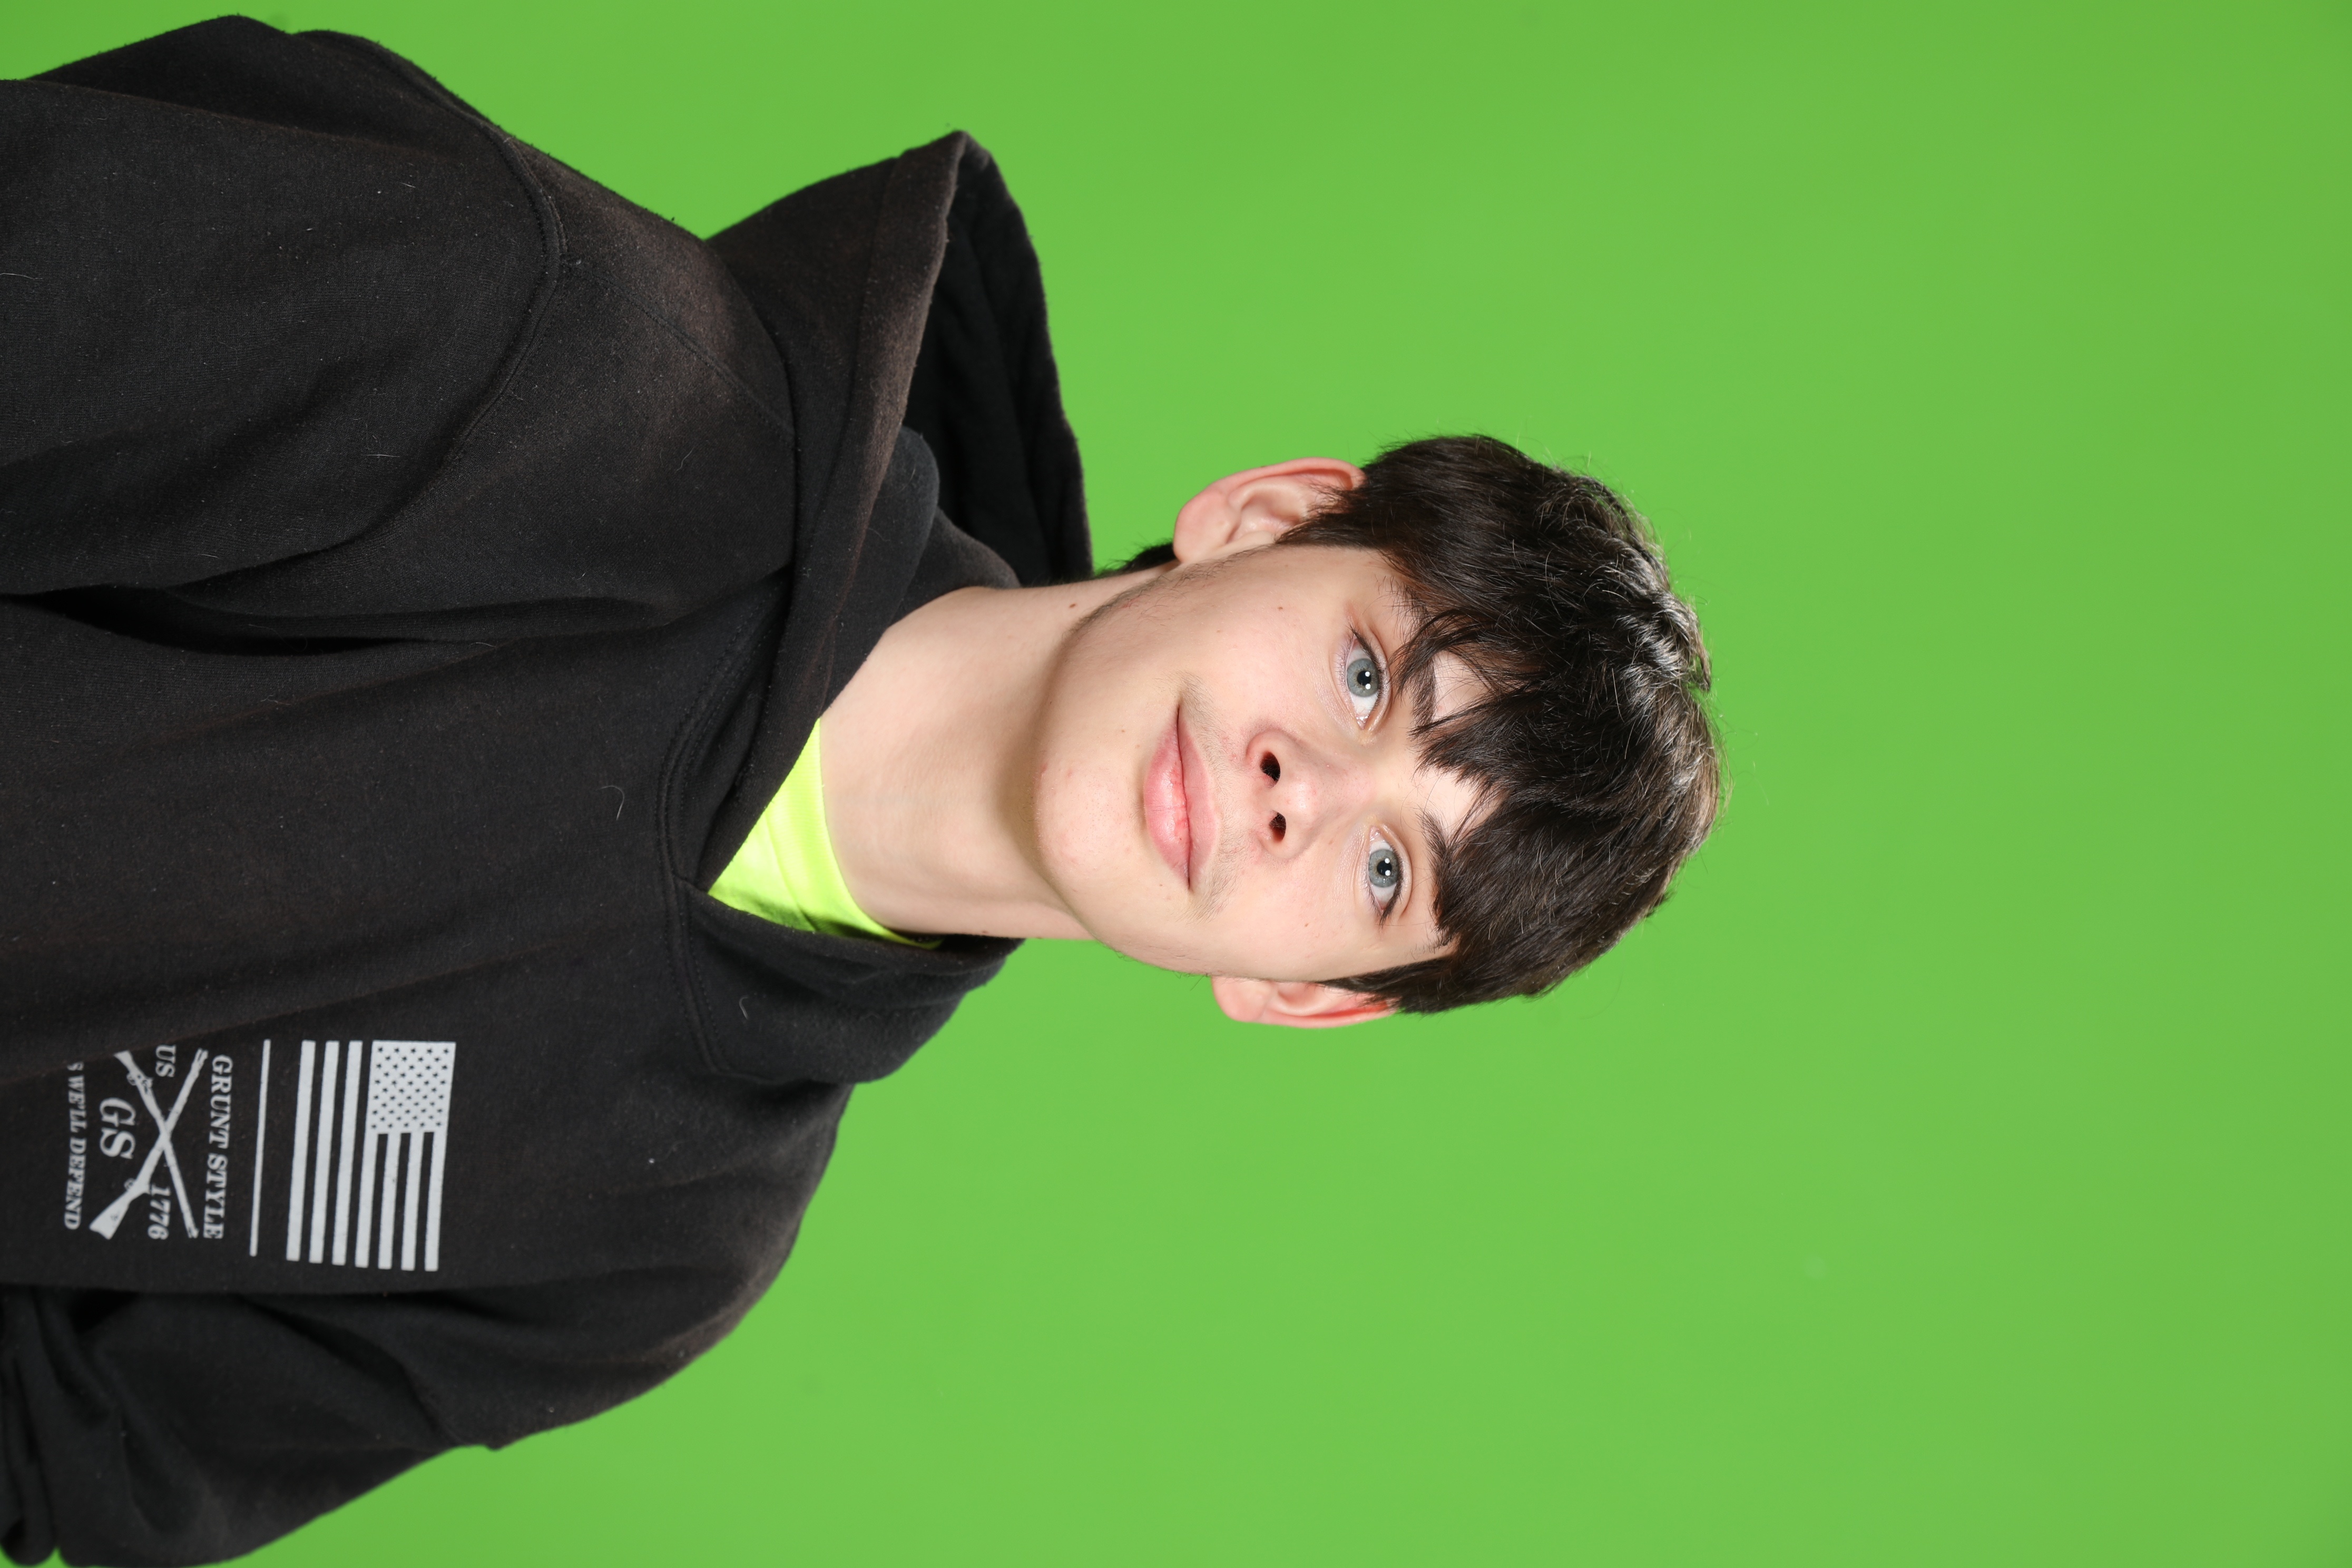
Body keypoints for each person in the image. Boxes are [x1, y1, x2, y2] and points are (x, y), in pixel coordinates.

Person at [0, 17, 1719, 1566]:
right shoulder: (530, 352)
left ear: (1305, 994)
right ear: (1265, 520)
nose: (1303, 793)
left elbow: (54, 1450)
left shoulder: (657, 1244)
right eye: (1366, 677)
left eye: (1386, 872)